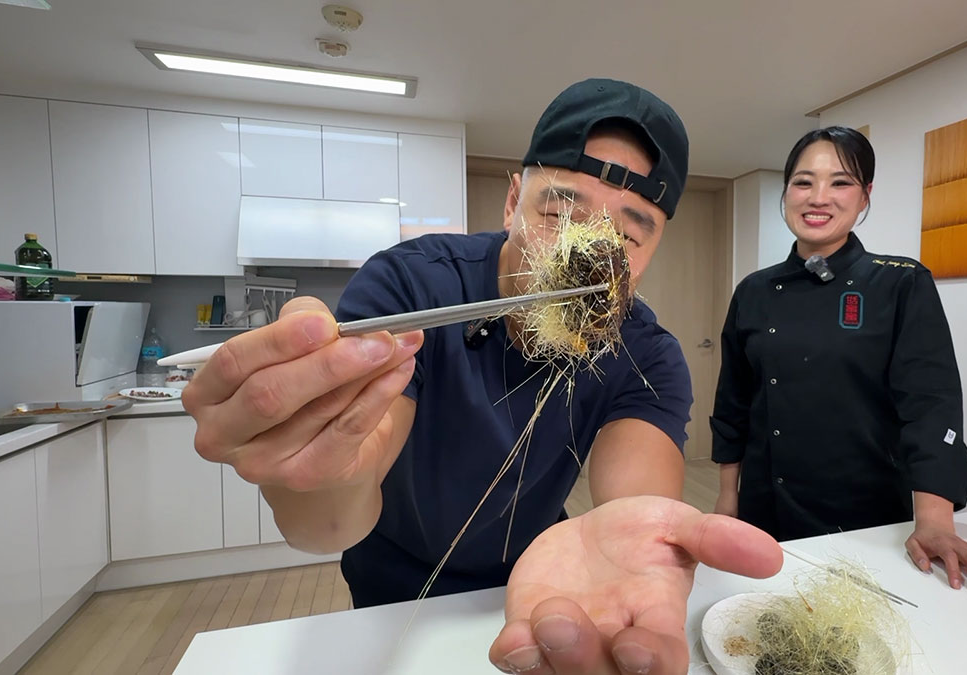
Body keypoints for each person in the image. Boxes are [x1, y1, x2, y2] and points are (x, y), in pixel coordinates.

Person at [182, 78, 782, 675]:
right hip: (392, 590)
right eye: (557, 211)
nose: (584, 256)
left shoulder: (646, 353)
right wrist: (318, 461)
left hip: (546, 579)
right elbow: (330, 520)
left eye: (625, 236)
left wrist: (633, 552)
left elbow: (636, 503)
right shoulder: (413, 288)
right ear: (512, 201)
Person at [710, 126, 967, 599]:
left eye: (840, 182)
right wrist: (727, 500)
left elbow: (930, 403)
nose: (819, 197)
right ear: (786, 190)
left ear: (865, 195)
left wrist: (935, 521)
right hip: (765, 505)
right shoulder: (753, 290)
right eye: (804, 181)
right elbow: (733, 401)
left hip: (867, 515)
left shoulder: (900, 283)